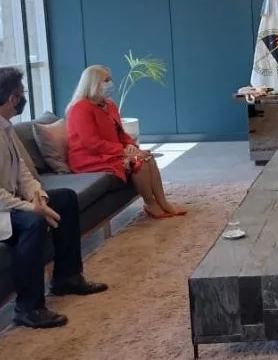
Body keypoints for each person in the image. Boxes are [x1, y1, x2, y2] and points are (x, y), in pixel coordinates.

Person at [0, 67, 108, 329]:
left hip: (12, 203)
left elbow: (21, 171)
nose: (24, 98)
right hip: (4, 209)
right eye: (22, 93)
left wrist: (38, 196)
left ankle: (67, 277)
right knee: (33, 222)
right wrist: (31, 209)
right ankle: (28, 308)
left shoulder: (6, 127)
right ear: (13, 98)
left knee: (66, 199)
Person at [66, 65, 184, 219]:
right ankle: (150, 204)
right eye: (106, 80)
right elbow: (91, 143)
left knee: (148, 158)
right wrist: (122, 151)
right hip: (90, 158)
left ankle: (163, 202)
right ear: (93, 83)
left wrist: (130, 145)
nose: (110, 84)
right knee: (139, 163)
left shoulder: (110, 105)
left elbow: (120, 133)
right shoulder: (81, 108)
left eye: (110, 79)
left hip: (110, 151)